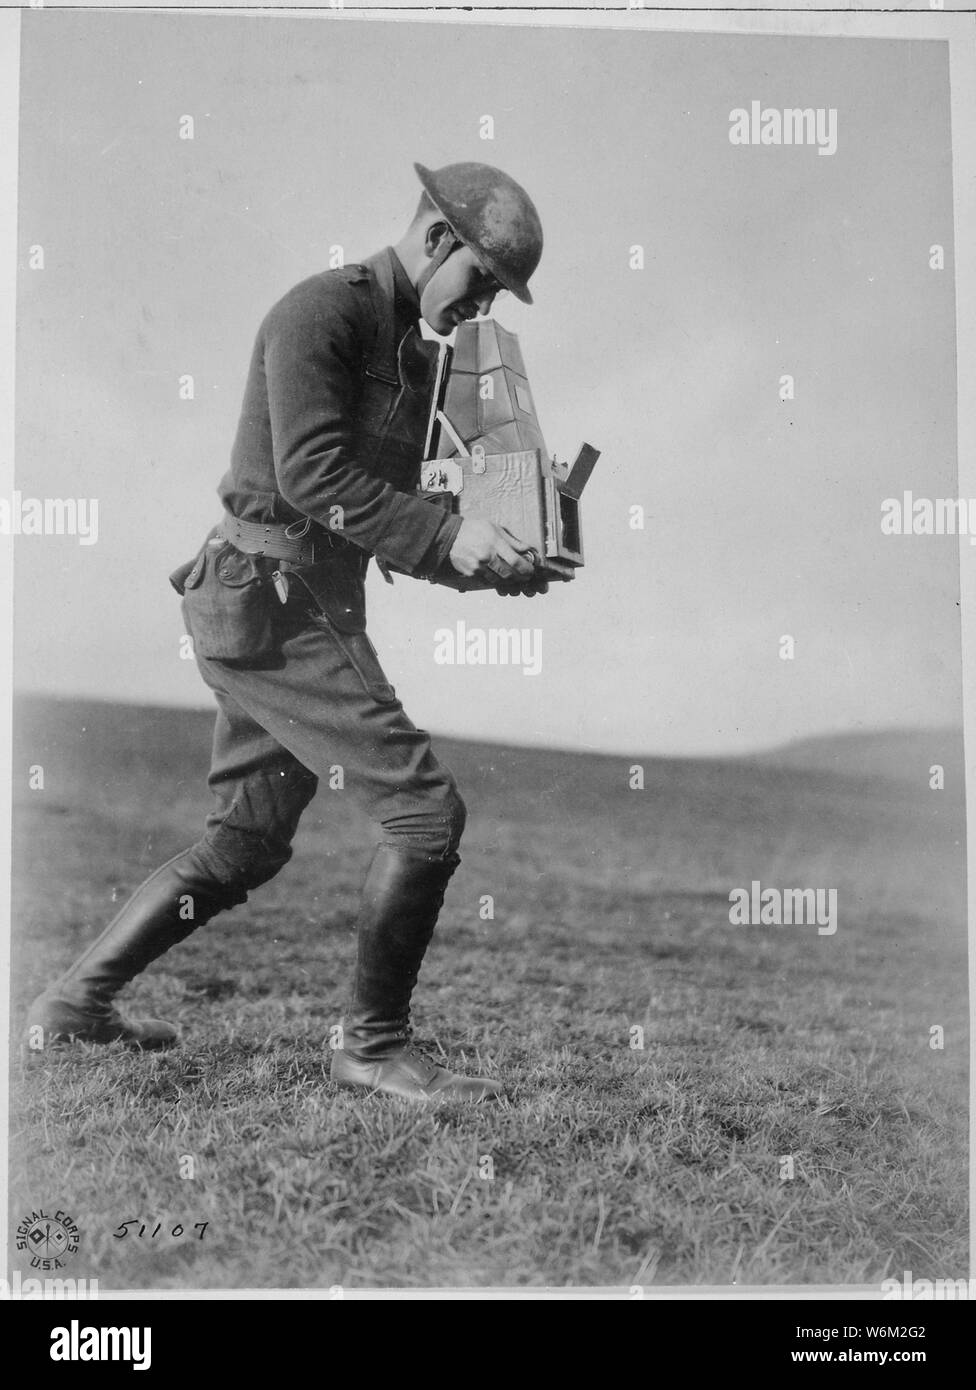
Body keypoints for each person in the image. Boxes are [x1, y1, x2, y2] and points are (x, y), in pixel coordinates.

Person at [26, 161, 546, 1104]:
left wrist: (497, 562)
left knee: (245, 845)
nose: (480, 309)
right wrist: (449, 537)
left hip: (298, 603)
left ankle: (74, 1007)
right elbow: (313, 478)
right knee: (425, 816)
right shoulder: (324, 313)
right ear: (437, 242)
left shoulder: (416, 353)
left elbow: (401, 509)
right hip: (272, 603)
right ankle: (373, 1047)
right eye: (480, 282)